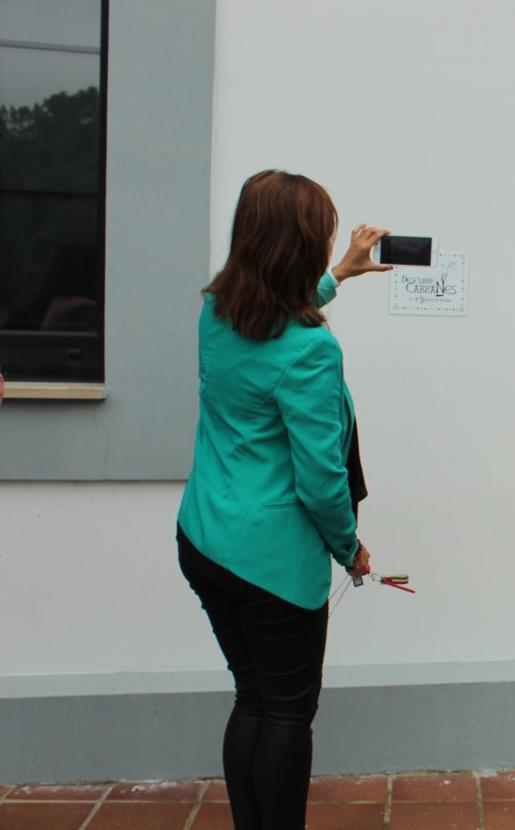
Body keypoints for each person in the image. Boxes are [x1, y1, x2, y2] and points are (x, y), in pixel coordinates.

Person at [176, 169, 390, 830]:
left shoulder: (217, 312)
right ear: (298, 249)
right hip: (270, 560)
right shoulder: (311, 351)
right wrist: (349, 548)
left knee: (253, 699)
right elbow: (320, 481)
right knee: (288, 714)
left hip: (204, 537)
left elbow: (274, 315)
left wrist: (341, 274)